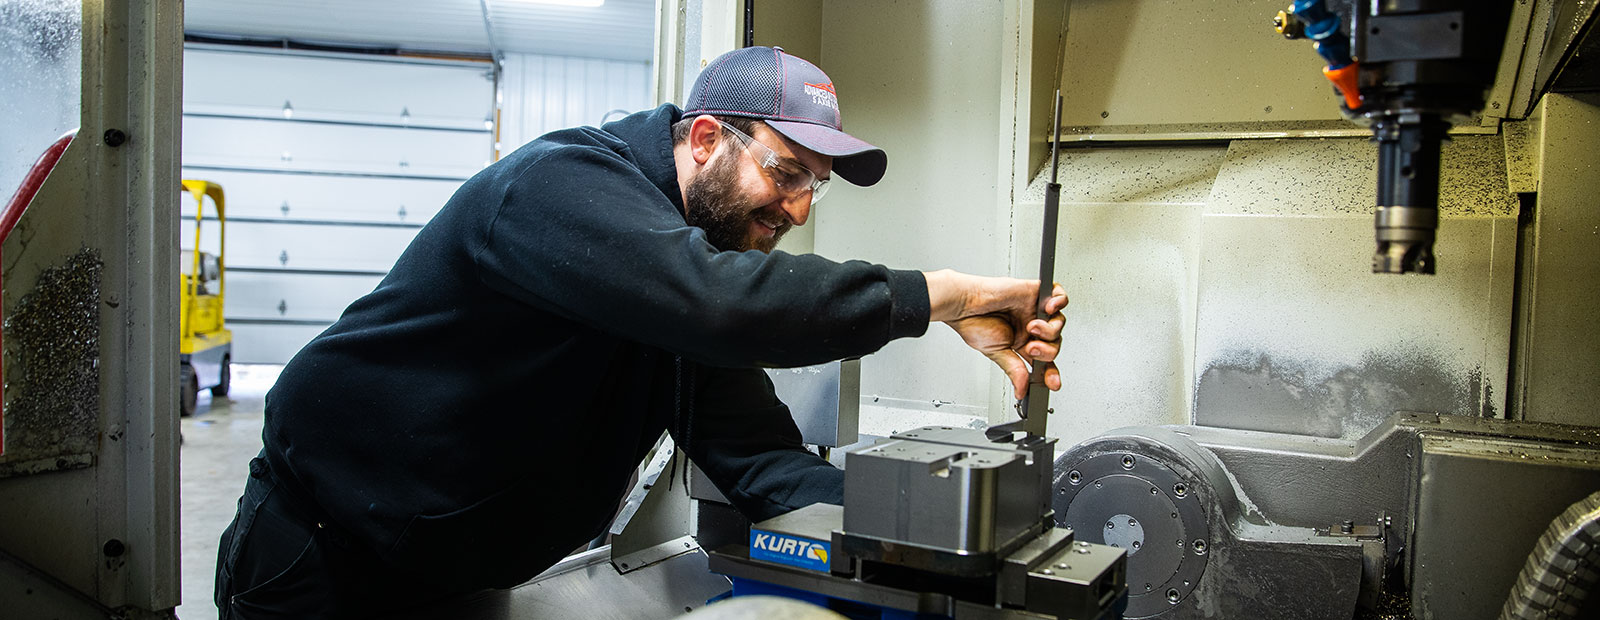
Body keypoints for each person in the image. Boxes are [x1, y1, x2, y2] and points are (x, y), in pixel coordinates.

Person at [214, 46, 1067, 619]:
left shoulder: (676, 278)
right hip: (327, 561)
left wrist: (966, 548)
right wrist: (941, 297)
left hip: (459, 578)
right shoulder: (562, 188)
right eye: (786, 172)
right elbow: (723, 305)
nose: (800, 209)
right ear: (705, 138)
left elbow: (762, 464)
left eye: (818, 186)